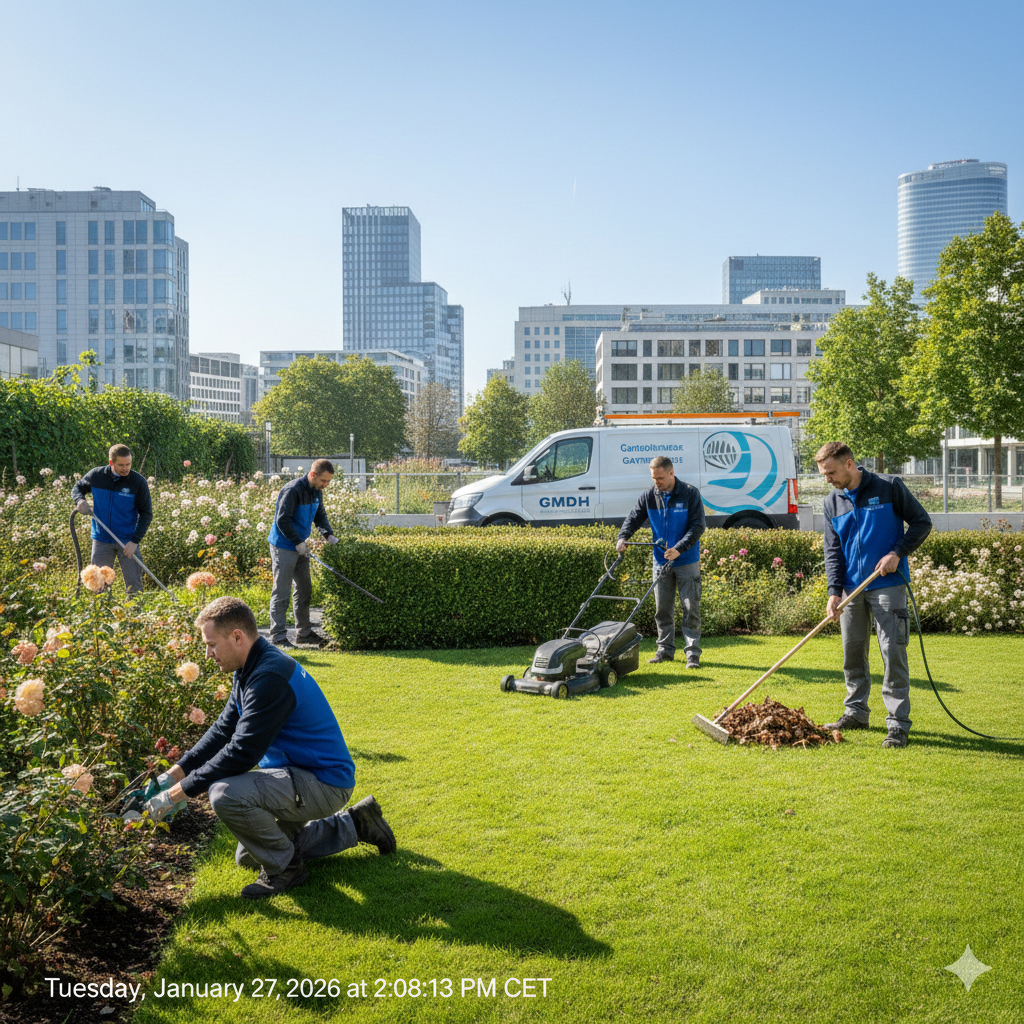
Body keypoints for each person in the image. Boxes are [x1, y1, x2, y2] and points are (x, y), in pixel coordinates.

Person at [144, 596, 395, 899]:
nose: (208, 653)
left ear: (237, 637)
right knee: (249, 856)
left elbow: (241, 753)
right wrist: (169, 777)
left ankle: (287, 870)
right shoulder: (251, 666)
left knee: (225, 794)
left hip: (324, 782)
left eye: (212, 644)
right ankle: (356, 823)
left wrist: (172, 797)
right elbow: (224, 730)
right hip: (298, 775)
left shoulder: (269, 677)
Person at [817, 442, 932, 748]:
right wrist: (833, 592)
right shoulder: (833, 502)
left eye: (831, 472)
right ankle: (855, 712)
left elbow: (922, 522)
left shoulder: (889, 487)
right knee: (852, 653)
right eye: (824, 474)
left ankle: (897, 724)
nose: (827, 479)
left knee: (893, 652)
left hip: (887, 587)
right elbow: (833, 552)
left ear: (850, 464)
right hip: (850, 590)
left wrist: (897, 552)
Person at [616, 455, 705, 668]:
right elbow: (634, 517)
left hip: (686, 561)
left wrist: (679, 549)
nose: (657, 482)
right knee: (662, 610)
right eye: (654, 478)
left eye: (661, 478)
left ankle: (692, 654)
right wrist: (623, 537)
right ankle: (664, 651)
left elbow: (697, 526)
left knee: (690, 607)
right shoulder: (649, 496)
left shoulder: (690, 493)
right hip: (660, 562)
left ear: (672, 473)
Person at [268, 458, 338, 649]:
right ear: (313, 474)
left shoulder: (316, 492)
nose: (325, 485)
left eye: (328, 482)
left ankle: (304, 634)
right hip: (284, 544)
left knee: (304, 589)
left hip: (300, 546)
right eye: (324, 481)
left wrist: (328, 535)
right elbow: (282, 520)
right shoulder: (293, 490)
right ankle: (278, 637)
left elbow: (320, 515)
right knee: (281, 592)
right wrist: (298, 542)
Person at [71, 444, 153, 596]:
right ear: (111, 463)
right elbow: (78, 488)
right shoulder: (96, 476)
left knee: (134, 586)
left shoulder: (137, 482)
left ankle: (134, 616)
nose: (125, 468)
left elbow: (147, 513)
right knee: (99, 586)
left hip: (127, 541)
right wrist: (79, 501)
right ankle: (102, 615)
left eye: (128, 464)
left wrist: (134, 541)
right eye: (121, 465)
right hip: (101, 540)